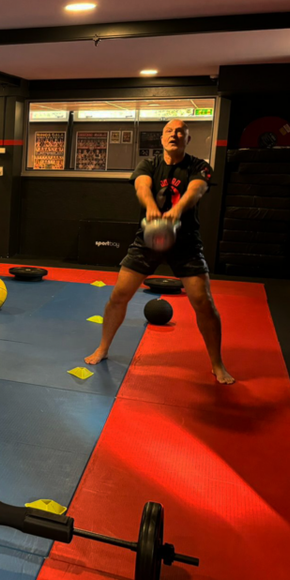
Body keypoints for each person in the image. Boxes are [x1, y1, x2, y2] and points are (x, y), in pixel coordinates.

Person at [85, 119, 234, 384]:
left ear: (188, 139)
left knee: (204, 302)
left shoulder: (199, 166)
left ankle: (217, 363)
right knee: (119, 295)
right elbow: (142, 186)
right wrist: (152, 207)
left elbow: (197, 189)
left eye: (179, 132)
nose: (173, 135)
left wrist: (177, 211)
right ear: (161, 138)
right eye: (168, 131)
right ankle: (103, 348)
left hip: (185, 242)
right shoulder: (149, 165)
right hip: (147, 239)